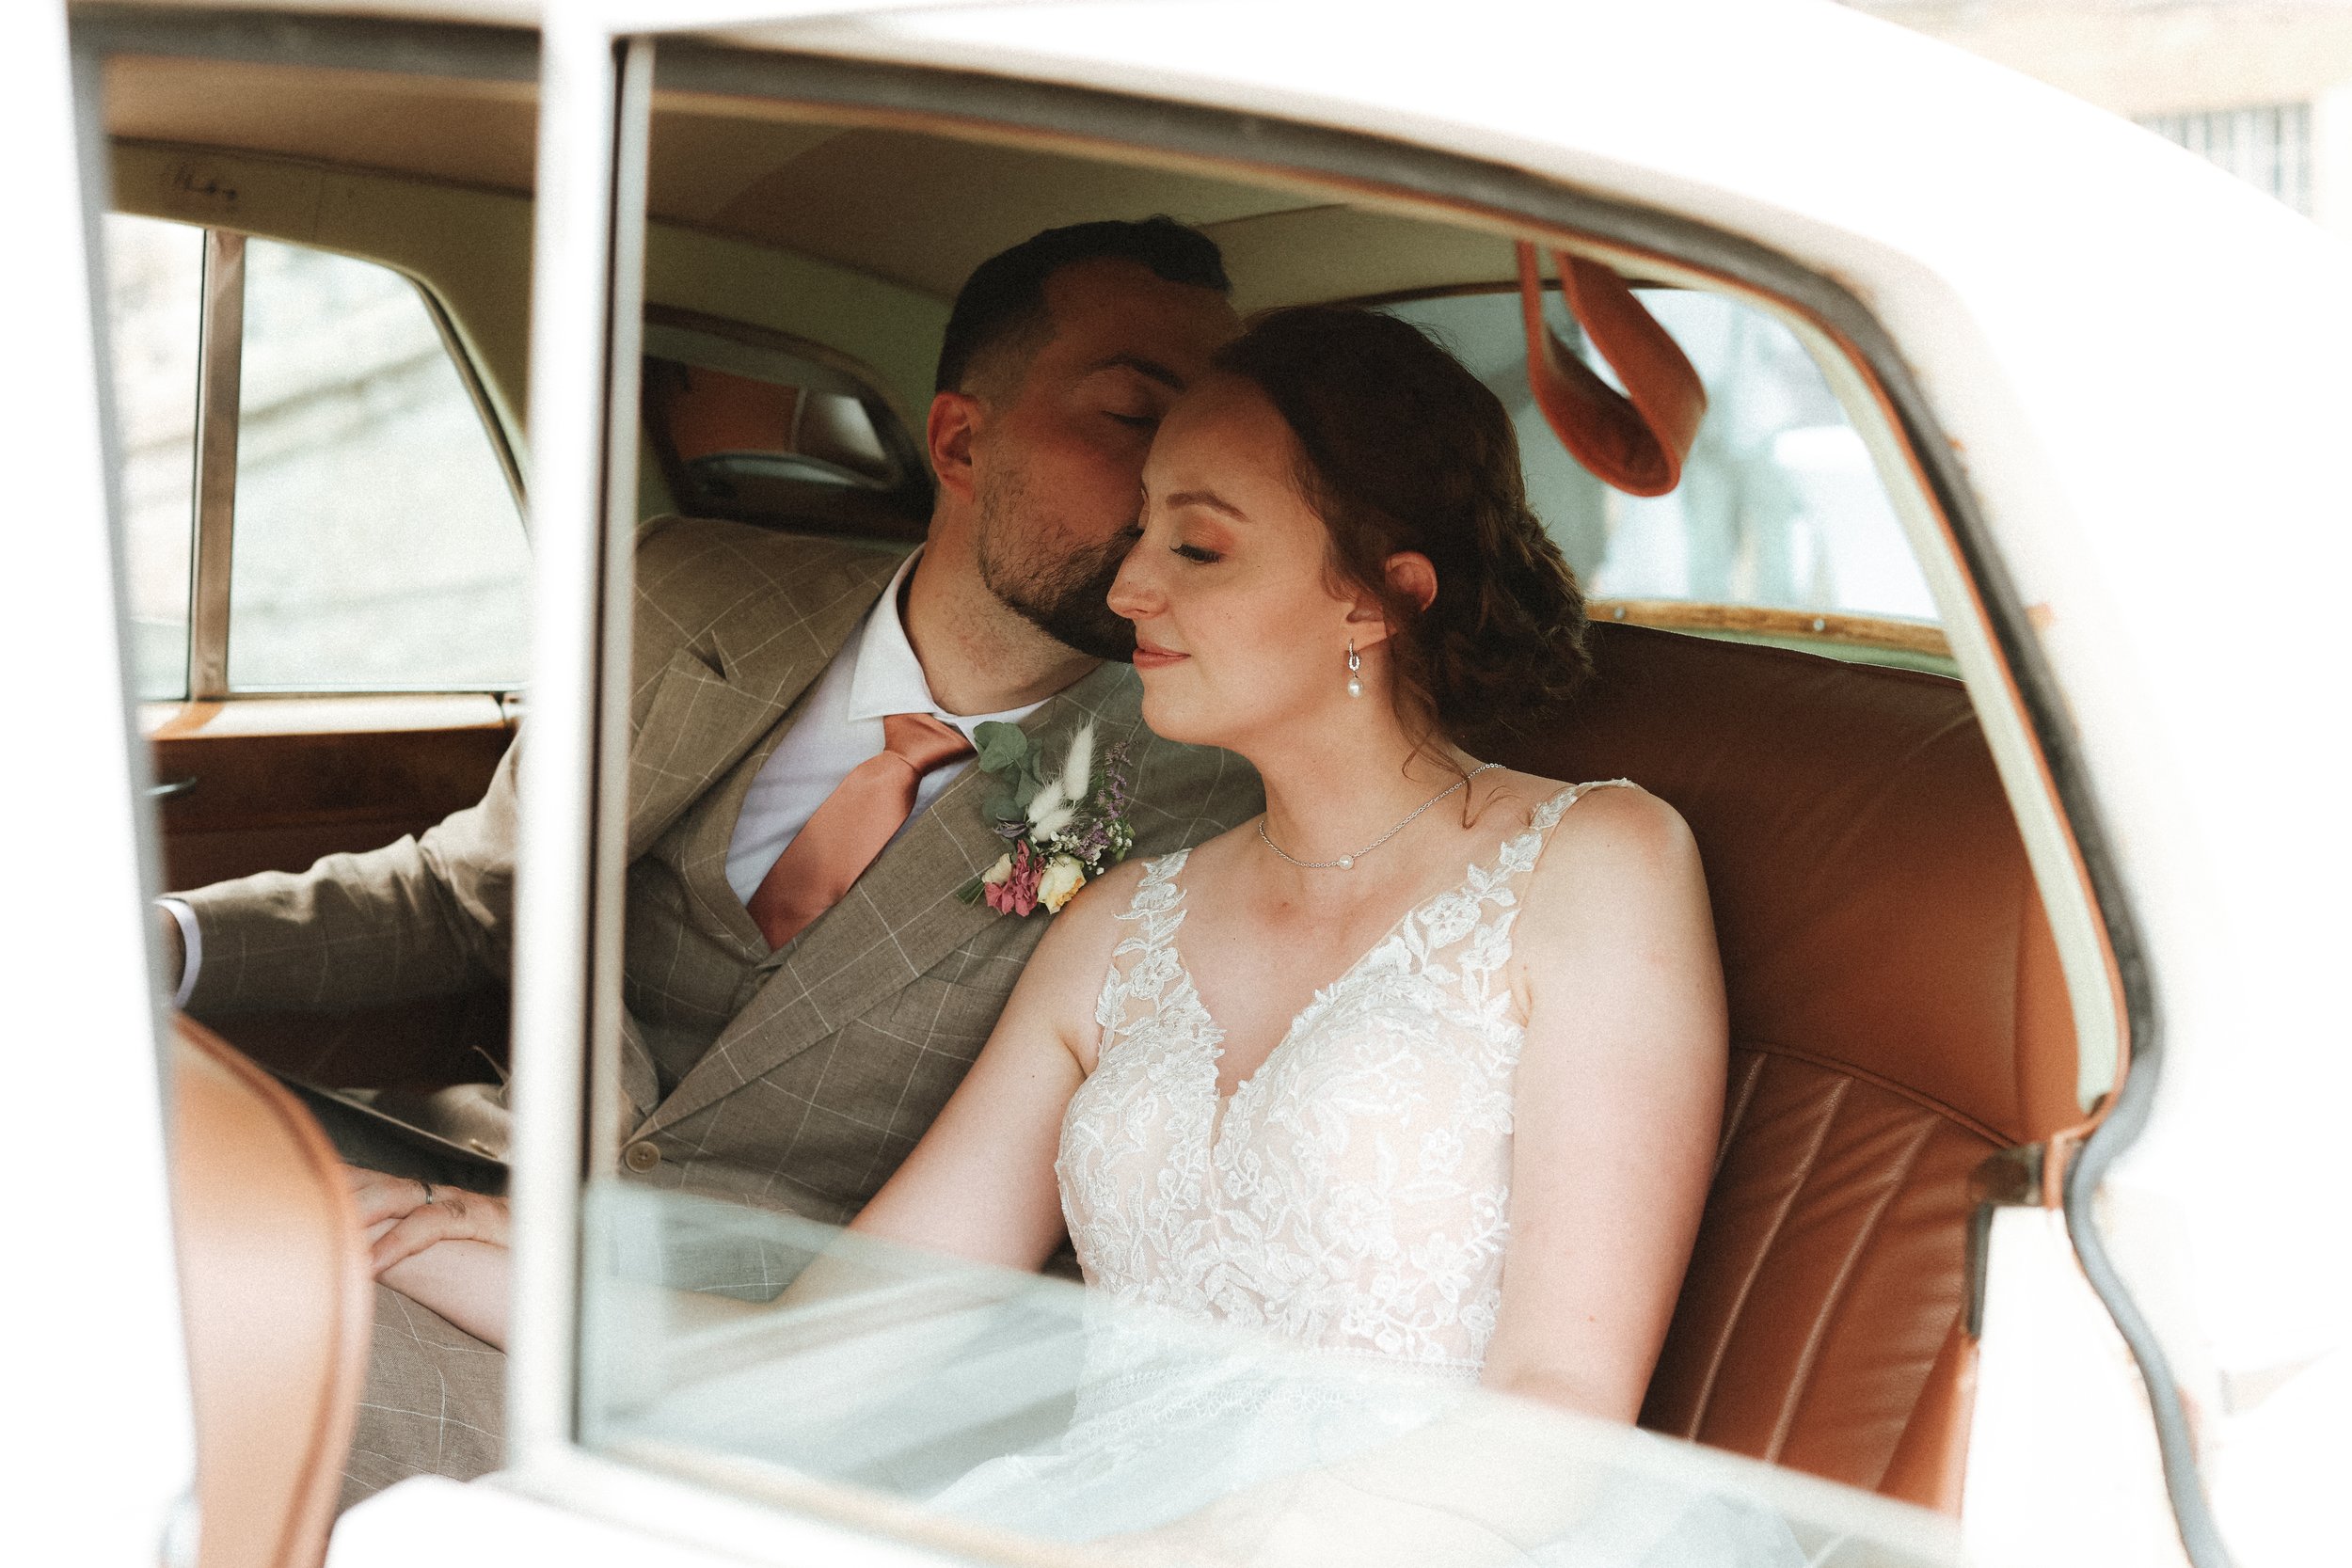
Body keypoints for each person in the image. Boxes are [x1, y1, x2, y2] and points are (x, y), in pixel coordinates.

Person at [156, 217, 1265, 1506]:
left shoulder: (1207, 788)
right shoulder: (687, 590)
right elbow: (467, 896)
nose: (1177, 485)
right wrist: (165, 941)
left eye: (1216, 442)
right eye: (1137, 417)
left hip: (757, 1333)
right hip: (464, 1176)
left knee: (223, 1368)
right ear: (962, 440)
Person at [830, 305, 1732, 1546]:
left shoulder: (1594, 865)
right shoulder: (1113, 928)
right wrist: (511, 1274)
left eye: (1197, 546)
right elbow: (862, 1329)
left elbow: (1559, 1403)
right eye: (1143, 526)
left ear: (1376, 599)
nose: (1130, 581)